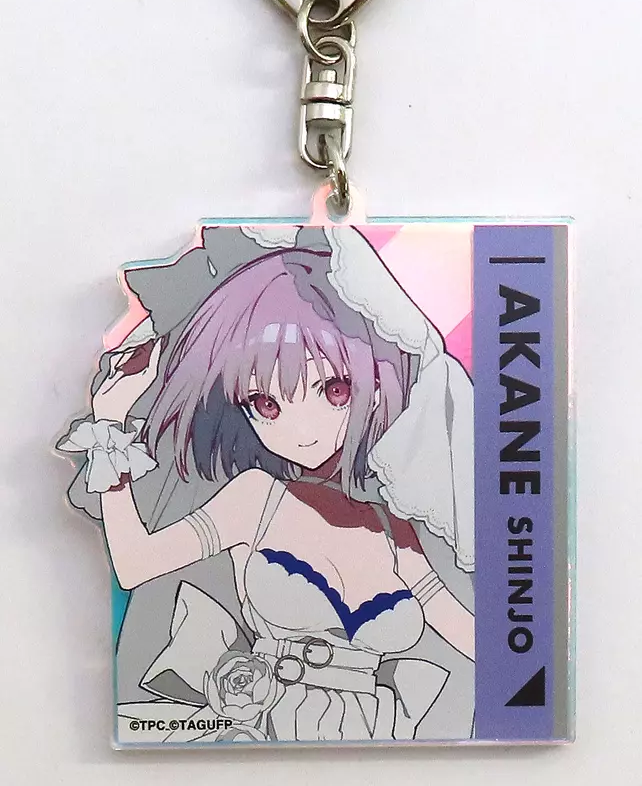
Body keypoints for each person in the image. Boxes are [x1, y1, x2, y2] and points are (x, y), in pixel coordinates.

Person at [59, 224, 475, 743]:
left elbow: (472, 637)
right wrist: (109, 425)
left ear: (376, 381)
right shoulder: (258, 498)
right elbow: (135, 564)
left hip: (380, 744)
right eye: (265, 404)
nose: (302, 431)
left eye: (334, 389)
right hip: (263, 735)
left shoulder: (391, 526)